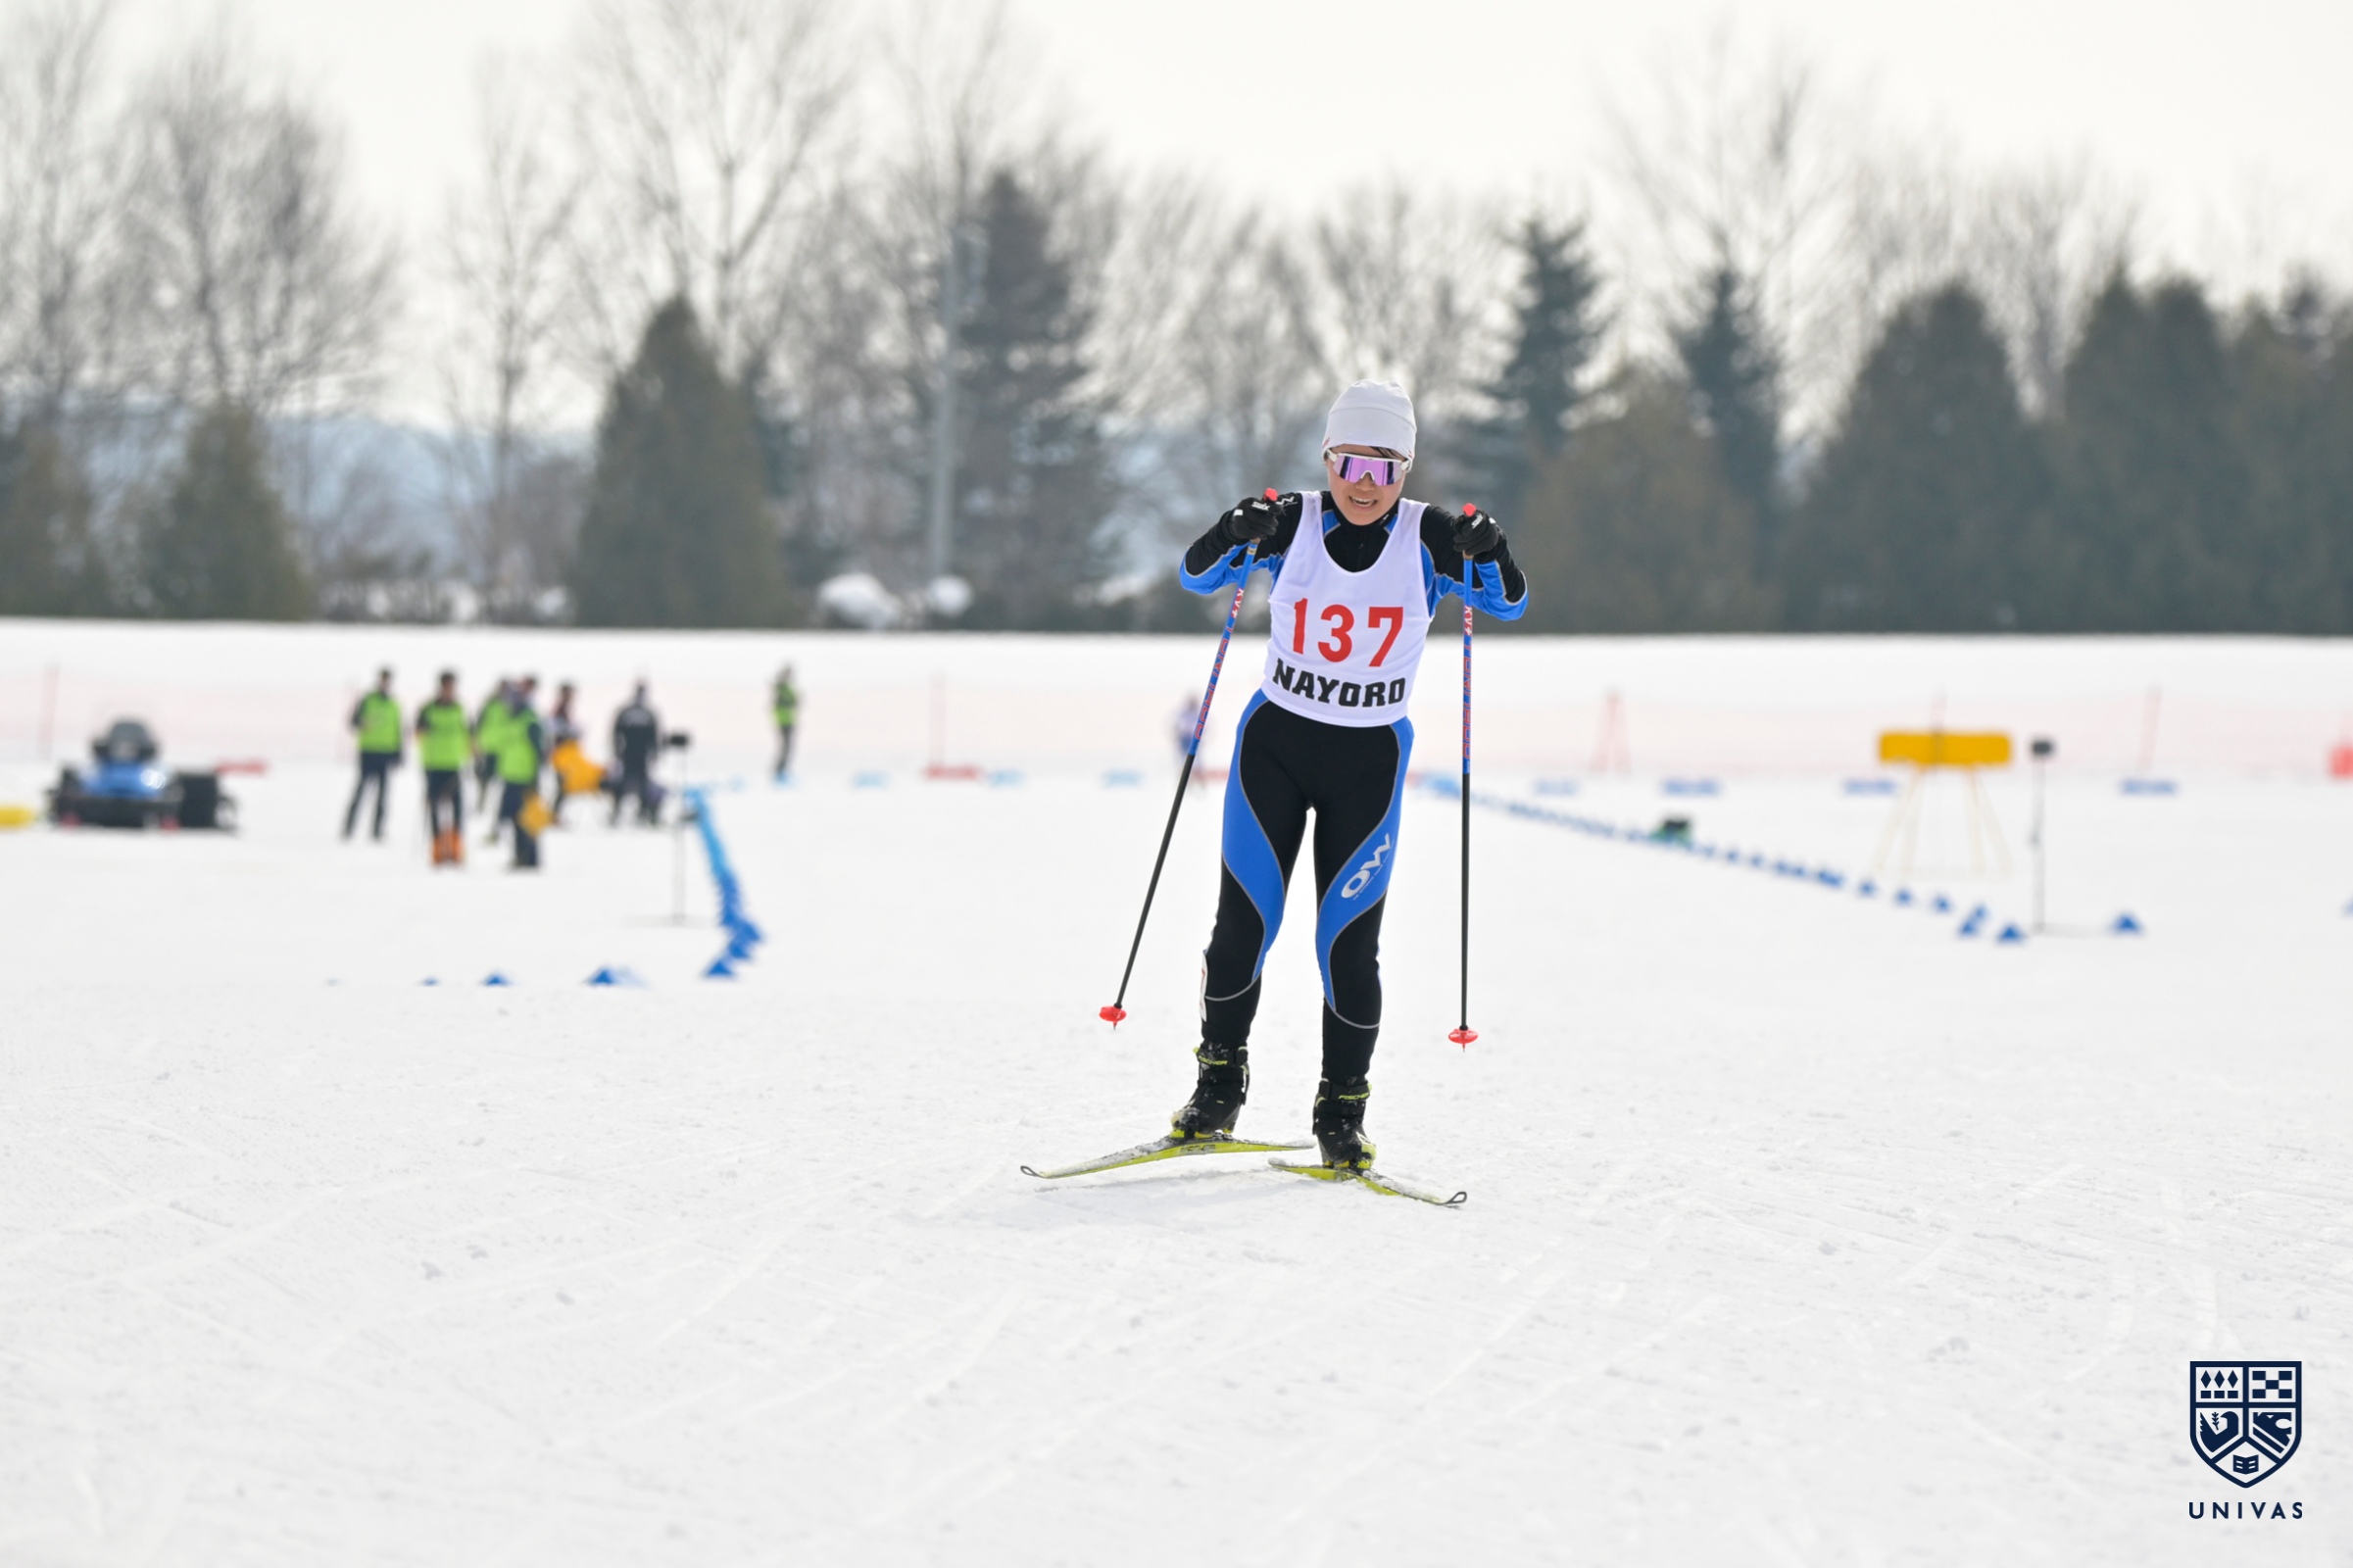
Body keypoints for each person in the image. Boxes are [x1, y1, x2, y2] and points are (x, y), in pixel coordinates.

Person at [1168, 380, 1528, 1170]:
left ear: (1406, 469)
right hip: (1273, 748)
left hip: (1368, 761)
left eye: (1384, 468)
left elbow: (1506, 603)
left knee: (1347, 945)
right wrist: (1232, 527)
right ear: (1327, 458)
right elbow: (1197, 576)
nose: (1365, 485)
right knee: (1240, 931)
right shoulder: (1288, 521)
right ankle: (1217, 1087)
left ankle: (1341, 1111)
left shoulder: (1432, 536)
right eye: (1350, 464)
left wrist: (1491, 547)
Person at [416, 670, 473, 866]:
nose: (449, 690)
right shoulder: (427, 709)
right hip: (433, 765)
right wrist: (423, 730)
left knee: (458, 809)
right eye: (446, 686)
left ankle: (455, 849)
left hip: (454, 765)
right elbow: (417, 732)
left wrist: (471, 755)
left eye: (452, 686)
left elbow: (469, 733)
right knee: (434, 809)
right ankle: (437, 849)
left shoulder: (460, 709)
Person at [343, 667, 403, 841]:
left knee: (383, 795)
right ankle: (349, 827)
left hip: (386, 753)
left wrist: (398, 753)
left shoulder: (394, 704)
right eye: (383, 680)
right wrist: (360, 723)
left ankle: (377, 830)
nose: (385, 683)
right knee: (361, 791)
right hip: (368, 752)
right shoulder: (367, 700)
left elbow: (398, 729)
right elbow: (353, 721)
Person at [496, 676, 548, 869]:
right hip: (510, 776)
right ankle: (520, 856)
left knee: (528, 821)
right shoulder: (510, 720)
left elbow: (539, 751)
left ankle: (531, 859)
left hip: (526, 778)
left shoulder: (529, 720)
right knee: (513, 819)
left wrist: (536, 777)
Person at [611, 683, 662, 825]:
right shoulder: (639, 712)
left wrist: (655, 752)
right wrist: (616, 750)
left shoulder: (644, 712)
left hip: (639, 754)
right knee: (626, 783)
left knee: (641, 784)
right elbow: (616, 732)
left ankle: (641, 812)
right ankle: (618, 812)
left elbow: (655, 735)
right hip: (630, 753)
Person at [474, 678, 515, 816]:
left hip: (503, 750)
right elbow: (479, 723)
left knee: (501, 782)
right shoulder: (489, 704)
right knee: (483, 778)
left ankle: (498, 809)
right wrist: (477, 745)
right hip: (487, 748)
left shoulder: (511, 706)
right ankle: (481, 804)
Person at [771, 666, 799, 780]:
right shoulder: (781, 689)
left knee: (787, 746)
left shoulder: (785, 688)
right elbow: (792, 700)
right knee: (785, 746)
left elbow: (795, 700)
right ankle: (780, 772)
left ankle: (783, 770)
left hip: (788, 719)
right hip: (783, 720)